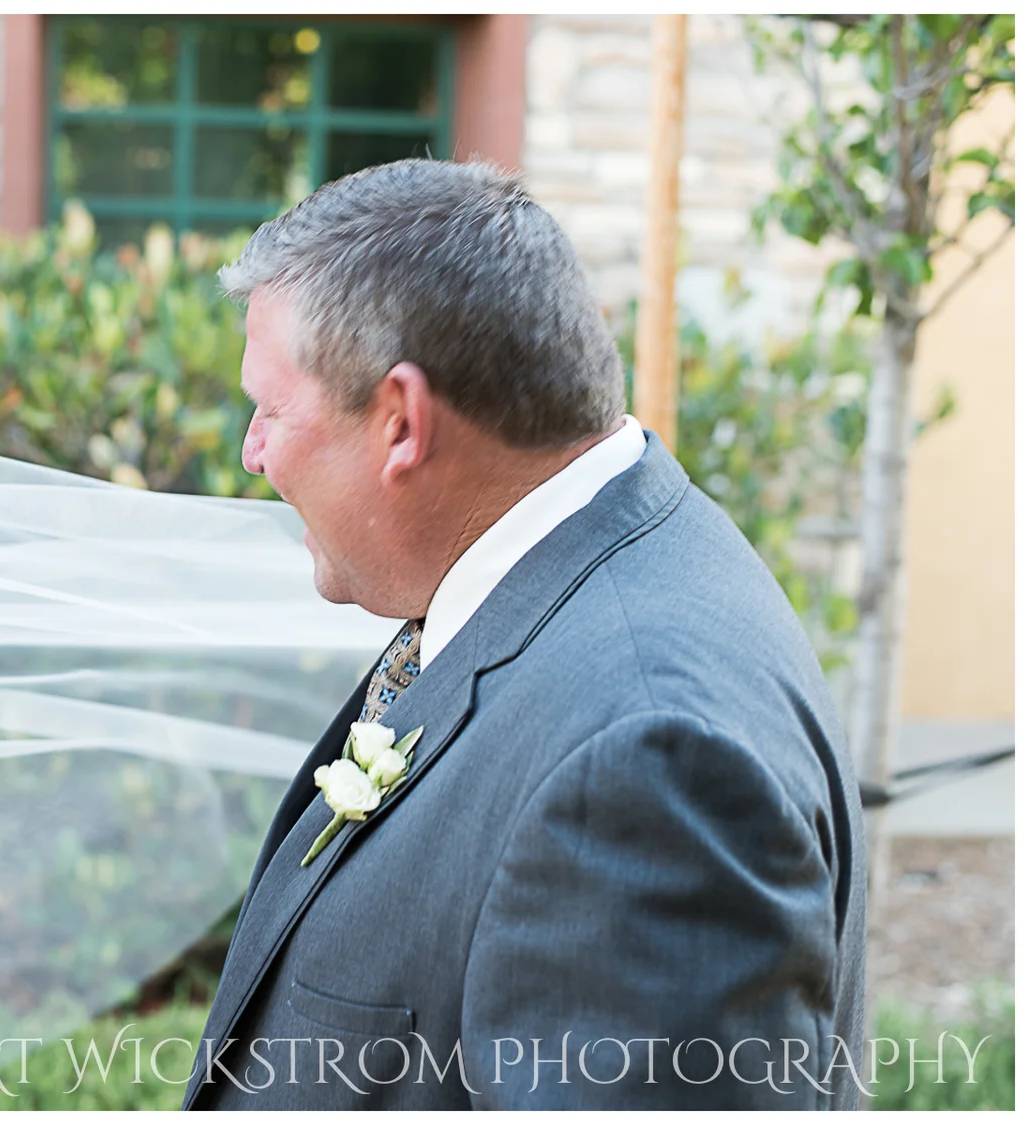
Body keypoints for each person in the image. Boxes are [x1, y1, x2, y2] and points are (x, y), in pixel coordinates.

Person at [181, 160, 867, 1109]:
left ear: (401, 421)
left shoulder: (644, 759)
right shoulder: (566, 571)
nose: (252, 450)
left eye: (270, 407)